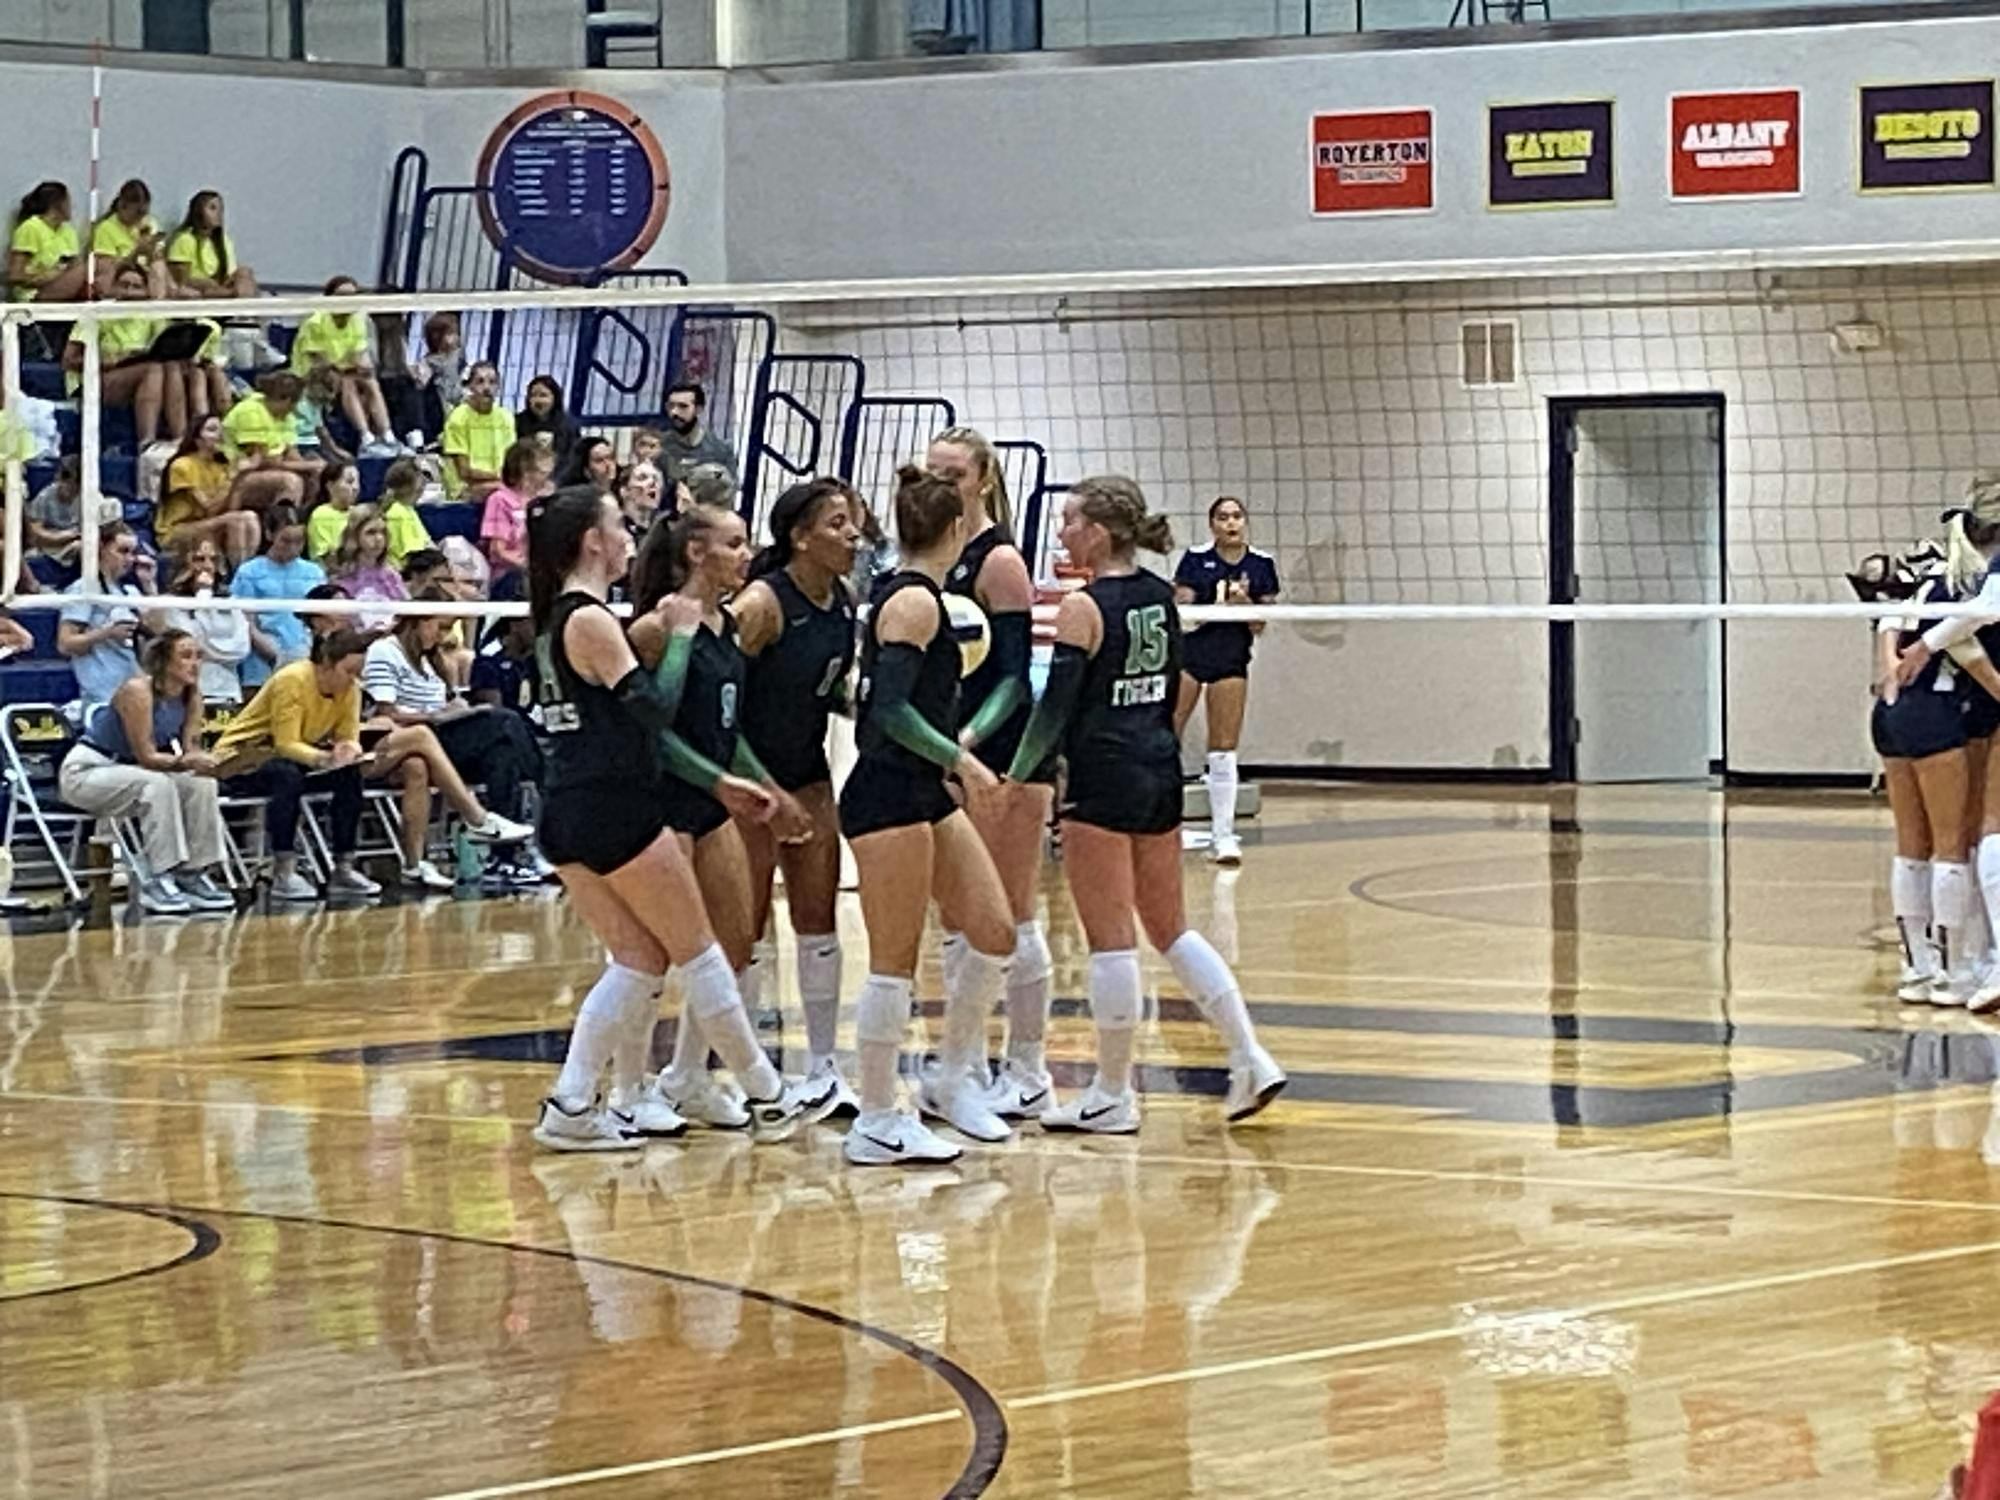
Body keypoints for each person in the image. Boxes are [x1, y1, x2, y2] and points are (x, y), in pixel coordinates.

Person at [524, 484, 817, 1150]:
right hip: (614, 806)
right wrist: (682, 637)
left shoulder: (558, 619)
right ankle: (767, 1095)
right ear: (593, 541)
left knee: (639, 959)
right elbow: (654, 711)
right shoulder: (590, 619)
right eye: (617, 525)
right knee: (700, 953)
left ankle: (571, 1105)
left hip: (570, 806)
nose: (629, 536)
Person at [1002, 477, 1286, 1130]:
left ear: (1099, 532)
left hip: (1103, 777)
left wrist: (1018, 779)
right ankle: (1250, 1055)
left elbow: (1054, 711)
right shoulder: (1161, 595)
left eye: (1071, 520)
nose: (1062, 532)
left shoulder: (1083, 608)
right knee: (1172, 929)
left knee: (1111, 940)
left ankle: (1112, 1093)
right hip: (1158, 769)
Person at [622, 505, 829, 1129]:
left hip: (711, 805)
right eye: (734, 544)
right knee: (651, 952)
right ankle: (627, 1090)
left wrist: (765, 787)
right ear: (696, 552)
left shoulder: (731, 625)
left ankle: (688, 1075)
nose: (748, 554)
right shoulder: (656, 627)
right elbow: (652, 730)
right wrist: (717, 779)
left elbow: (726, 725)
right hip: (662, 803)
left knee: (735, 940)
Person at [838, 465, 1017, 1165]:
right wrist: (962, 760)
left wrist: (952, 757)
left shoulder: (925, 598)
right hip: (887, 794)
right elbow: (887, 714)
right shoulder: (913, 602)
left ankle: (948, 1077)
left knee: (994, 932)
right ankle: (877, 1117)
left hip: (924, 793)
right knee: (894, 964)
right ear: (955, 528)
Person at [929, 425, 1053, 1121]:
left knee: (1012, 912)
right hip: (950, 755)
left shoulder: (998, 560)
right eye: (931, 473)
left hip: (1001, 754)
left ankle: (1029, 1070)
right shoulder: (927, 556)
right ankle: (967, 1065)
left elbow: (1012, 679)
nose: (941, 485)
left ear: (982, 480)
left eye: (953, 475)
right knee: (957, 918)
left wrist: (969, 745)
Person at [733, 478, 859, 1106]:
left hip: (808, 774)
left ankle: (824, 1067)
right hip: (748, 782)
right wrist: (762, 790)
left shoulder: (844, 600)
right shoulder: (760, 604)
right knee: (743, 928)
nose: (854, 535)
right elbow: (717, 708)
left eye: (853, 521)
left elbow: (825, 690)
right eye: (838, 524)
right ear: (800, 537)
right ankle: (744, 1071)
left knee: (819, 919)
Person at [1888, 483, 2000, 1007]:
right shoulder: (1970, 582)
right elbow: (1965, 639)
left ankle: (1919, 969)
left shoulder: (1926, 578)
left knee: (1913, 845)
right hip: (1944, 714)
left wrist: (1894, 671)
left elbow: (1888, 628)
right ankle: (1957, 972)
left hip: (1894, 715)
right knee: (1959, 841)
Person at [360, 587, 536, 889]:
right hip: (409, 737)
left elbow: (447, 703)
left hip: (440, 739)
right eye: (440, 627)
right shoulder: (385, 650)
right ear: (419, 620)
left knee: (502, 753)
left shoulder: (434, 660)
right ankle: (483, 817)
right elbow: (386, 713)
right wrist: (435, 716)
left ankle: (504, 857)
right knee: (504, 721)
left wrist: (457, 709)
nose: (443, 637)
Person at [57, 629, 236, 915]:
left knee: (200, 784)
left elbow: (189, 751)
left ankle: (194, 872)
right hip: (89, 770)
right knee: (156, 784)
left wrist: (212, 761)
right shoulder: (137, 691)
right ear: (164, 661)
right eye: (186, 656)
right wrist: (186, 762)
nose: (195, 664)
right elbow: (147, 756)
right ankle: (157, 876)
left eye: (199, 656)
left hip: (132, 772)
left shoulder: (193, 696)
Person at [212, 628, 380, 902]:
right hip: (243, 758)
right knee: (286, 775)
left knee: (350, 774)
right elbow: (285, 743)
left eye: (358, 672)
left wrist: (350, 751)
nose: (354, 679)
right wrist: (324, 759)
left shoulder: (351, 689)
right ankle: (283, 868)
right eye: (349, 671)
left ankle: (344, 866)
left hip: (297, 758)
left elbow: (348, 736)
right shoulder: (292, 679)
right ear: (327, 663)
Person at [1174, 496, 1279, 866]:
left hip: (1230, 660)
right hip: (1188, 658)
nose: (1231, 523)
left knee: (1223, 748)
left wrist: (1244, 604)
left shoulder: (1261, 564)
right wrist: (1214, 610)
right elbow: (1182, 615)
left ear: (1245, 522)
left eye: (1236, 516)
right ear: (1212, 524)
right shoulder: (1195, 559)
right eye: (1223, 517)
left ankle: (1223, 836)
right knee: (1165, 738)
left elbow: (1260, 625)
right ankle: (1162, 828)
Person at [62, 262, 179, 444]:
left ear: (146, 291)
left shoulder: (151, 315)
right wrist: (113, 361)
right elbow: (69, 360)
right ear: (113, 287)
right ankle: (146, 442)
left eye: (136, 287)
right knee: (152, 371)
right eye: (124, 285)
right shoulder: (96, 314)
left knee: (179, 369)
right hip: (96, 379)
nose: (129, 291)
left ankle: (182, 439)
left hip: (139, 376)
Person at [290, 275, 401, 457]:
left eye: (352, 296)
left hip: (343, 370)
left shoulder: (357, 321)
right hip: (311, 375)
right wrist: (349, 368)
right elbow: (321, 359)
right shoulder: (315, 321)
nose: (348, 300)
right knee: (348, 382)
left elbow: (357, 356)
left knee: (370, 381)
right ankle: (366, 438)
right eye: (342, 295)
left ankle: (387, 436)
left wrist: (363, 368)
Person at [58, 525, 156, 713]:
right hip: (101, 696)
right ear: (102, 549)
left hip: (135, 689)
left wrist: (149, 584)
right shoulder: (84, 589)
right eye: (123, 551)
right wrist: (106, 633)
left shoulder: (130, 592)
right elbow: (65, 644)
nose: (130, 559)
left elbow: (159, 630)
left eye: (133, 553)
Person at [232, 504, 325, 690]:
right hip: (261, 666)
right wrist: (276, 654)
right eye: (285, 541)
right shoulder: (249, 572)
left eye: (299, 541)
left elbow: (323, 619)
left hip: (305, 660)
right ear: (269, 534)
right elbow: (244, 621)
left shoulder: (314, 573)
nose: (293, 548)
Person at [156, 538, 251, 706]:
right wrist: (203, 595)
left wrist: (207, 648)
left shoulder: (230, 602)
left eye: (213, 559)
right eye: (199, 559)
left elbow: (241, 649)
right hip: (187, 695)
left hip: (228, 693)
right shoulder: (169, 603)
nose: (208, 566)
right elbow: (189, 644)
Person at [160, 416, 262, 565]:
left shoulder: (222, 467)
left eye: (221, 430)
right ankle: (238, 572)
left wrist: (239, 479)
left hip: (209, 523)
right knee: (236, 520)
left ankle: (245, 569)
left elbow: (230, 508)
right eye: (212, 430)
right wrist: (234, 478)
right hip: (178, 529)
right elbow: (209, 509)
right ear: (197, 439)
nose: (220, 435)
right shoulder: (183, 465)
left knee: (249, 516)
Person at [223, 371, 321, 510]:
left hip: (268, 469)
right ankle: (282, 522)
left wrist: (313, 468)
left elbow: (292, 454)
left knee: (314, 477)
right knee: (290, 481)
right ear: (287, 400)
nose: (295, 408)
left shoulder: (286, 417)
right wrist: (310, 466)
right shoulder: (250, 411)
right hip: (234, 475)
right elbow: (264, 461)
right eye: (296, 402)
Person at [442, 361, 515, 500]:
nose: (487, 388)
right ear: (470, 386)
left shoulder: (506, 417)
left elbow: (510, 460)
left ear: (498, 387)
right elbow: (464, 472)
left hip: (499, 483)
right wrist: (498, 477)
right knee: (504, 493)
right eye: (480, 382)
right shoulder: (458, 418)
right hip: (465, 488)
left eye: (492, 382)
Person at [166, 190, 258, 299]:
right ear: (198, 211)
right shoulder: (185, 239)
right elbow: (180, 281)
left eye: (221, 209)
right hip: (198, 291)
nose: (219, 213)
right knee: (211, 286)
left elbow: (228, 274)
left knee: (244, 272)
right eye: (213, 208)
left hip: (220, 288)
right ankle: (236, 297)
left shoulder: (224, 240)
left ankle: (244, 303)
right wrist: (207, 282)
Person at [329, 504, 408, 628]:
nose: (379, 538)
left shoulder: (391, 575)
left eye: (383, 532)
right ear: (354, 536)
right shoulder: (340, 577)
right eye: (371, 533)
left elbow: (406, 611)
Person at [9, 182, 87, 303]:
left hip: (63, 289)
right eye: (68, 202)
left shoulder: (69, 231)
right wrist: (44, 277)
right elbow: (15, 275)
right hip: (35, 294)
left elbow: (73, 264)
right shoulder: (31, 228)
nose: (72, 207)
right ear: (56, 205)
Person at [91, 179, 169, 297]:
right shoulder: (106, 229)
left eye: (144, 213)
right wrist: (136, 254)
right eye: (137, 213)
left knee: (159, 267)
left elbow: (158, 259)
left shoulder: (150, 223)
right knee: (130, 278)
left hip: (147, 276)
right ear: (122, 206)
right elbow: (107, 271)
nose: (140, 218)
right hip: (120, 277)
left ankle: (158, 303)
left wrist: (151, 252)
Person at [481, 440, 547, 577]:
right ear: (525, 472)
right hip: (510, 574)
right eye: (542, 471)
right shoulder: (500, 500)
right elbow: (498, 552)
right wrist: (531, 567)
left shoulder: (546, 498)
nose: (547, 476)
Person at [659, 381, 737, 485]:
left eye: (683, 406)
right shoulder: (658, 445)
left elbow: (730, 487)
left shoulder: (720, 450)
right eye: (670, 406)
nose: (674, 412)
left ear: (698, 409)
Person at [27, 455, 83, 576]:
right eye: (64, 479)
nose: (67, 486)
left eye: (74, 483)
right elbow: (35, 531)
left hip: (78, 545)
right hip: (50, 547)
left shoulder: (89, 497)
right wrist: (62, 537)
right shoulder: (45, 497)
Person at [376, 457, 435, 568]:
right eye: (420, 478)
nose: (423, 484)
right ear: (407, 487)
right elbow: (414, 556)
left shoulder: (408, 509)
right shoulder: (399, 514)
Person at [515, 374, 578, 472]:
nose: (538, 401)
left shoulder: (568, 425)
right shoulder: (518, 422)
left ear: (555, 398)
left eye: (543, 395)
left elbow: (573, 459)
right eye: (533, 395)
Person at [305, 459, 361, 564]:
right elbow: (326, 559)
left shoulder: (360, 513)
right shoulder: (321, 515)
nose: (356, 487)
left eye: (358, 482)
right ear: (330, 486)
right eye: (349, 482)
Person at [616, 460, 664, 541]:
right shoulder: (613, 530)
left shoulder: (663, 534)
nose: (652, 482)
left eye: (656, 479)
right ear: (624, 491)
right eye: (642, 478)